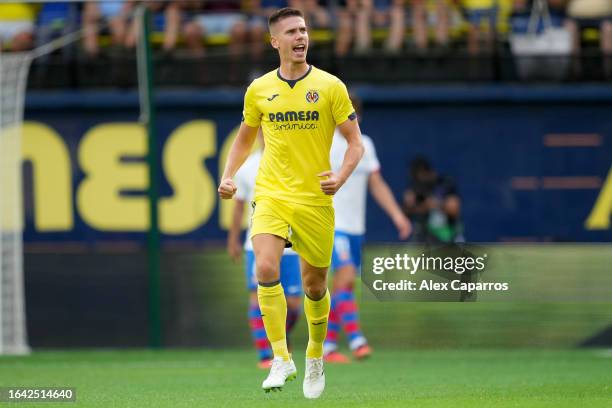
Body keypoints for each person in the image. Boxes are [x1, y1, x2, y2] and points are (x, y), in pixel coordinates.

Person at [218, 7, 364, 399]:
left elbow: (355, 143)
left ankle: (315, 353)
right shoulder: (260, 89)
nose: (300, 37)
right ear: (275, 42)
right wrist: (229, 175)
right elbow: (245, 138)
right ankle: (280, 357)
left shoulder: (331, 86)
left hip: (315, 200)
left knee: (315, 286)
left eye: (303, 30)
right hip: (272, 193)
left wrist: (341, 176)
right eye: (292, 31)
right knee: (265, 266)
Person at [324, 94, 411, 363]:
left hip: (355, 228)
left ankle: (327, 347)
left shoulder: (365, 145)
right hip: (331, 222)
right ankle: (357, 339)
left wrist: (398, 215)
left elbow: (376, 183)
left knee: (343, 286)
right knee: (346, 277)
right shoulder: (323, 144)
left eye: (354, 115)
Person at [227, 130, 302, 370]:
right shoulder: (248, 167)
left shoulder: (295, 162)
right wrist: (233, 238)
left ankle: (279, 341)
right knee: (257, 299)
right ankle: (264, 356)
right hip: (256, 242)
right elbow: (239, 207)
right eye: (261, 132)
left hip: (291, 245)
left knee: (293, 306)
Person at [402, 156, 464, 243]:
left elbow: (454, 207)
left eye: (420, 175)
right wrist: (411, 206)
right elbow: (405, 213)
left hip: (447, 236)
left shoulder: (444, 183)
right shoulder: (415, 187)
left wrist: (435, 204)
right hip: (424, 238)